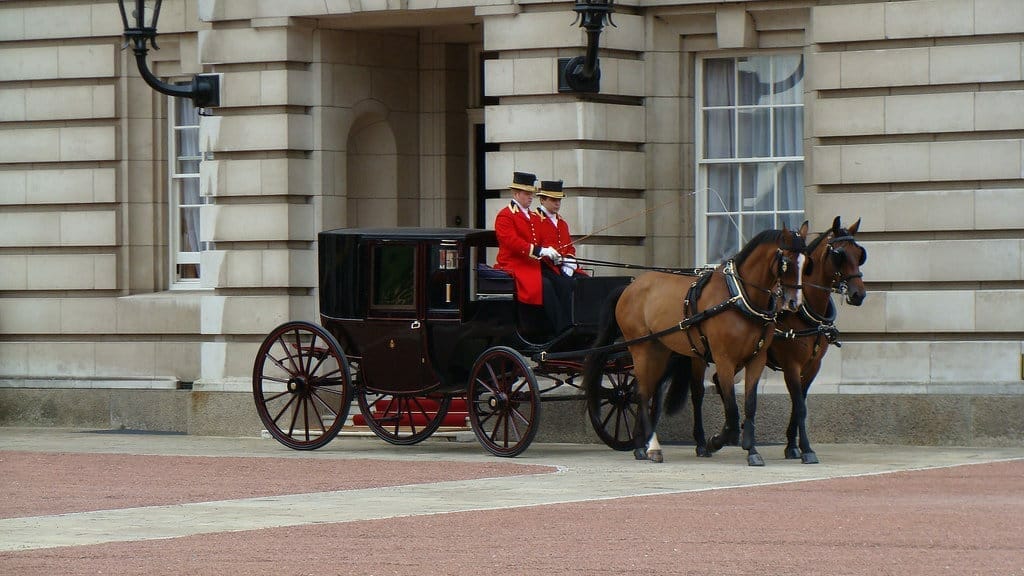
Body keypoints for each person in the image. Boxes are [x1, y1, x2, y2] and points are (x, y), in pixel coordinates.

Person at [494, 171, 569, 335]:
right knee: (546, 286)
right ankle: (560, 329)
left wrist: (554, 253)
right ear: (516, 194)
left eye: (531, 194)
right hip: (515, 266)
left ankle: (571, 324)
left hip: (533, 265)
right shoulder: (505, 215)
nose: (530, 197)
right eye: (527, 193)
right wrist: (540, 250)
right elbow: (512, 243)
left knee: (562, 283)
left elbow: (543, 239)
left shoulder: (533, 216)